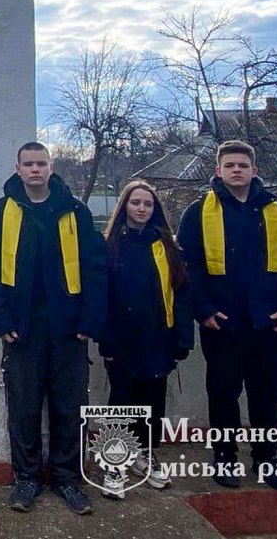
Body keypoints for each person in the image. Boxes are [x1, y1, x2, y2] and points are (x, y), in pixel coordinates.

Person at [0, 141, 107, 516]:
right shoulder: (1, 213)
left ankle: (68, 479)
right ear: (17, 168)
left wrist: (90, 320)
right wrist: (0, 321)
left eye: (41, 163)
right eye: (28, 164)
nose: (35, 169)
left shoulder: (75, 212)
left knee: (70, 408)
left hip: (69, 331)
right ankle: (27, 479)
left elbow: (96, 268)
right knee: (24, 408)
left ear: (51, 168)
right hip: (22, 331)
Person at [177, 140, 277, 491]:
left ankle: (267, 459)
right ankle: (224, 458)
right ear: (218, 170)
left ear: (254, 170)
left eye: (242, 165)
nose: (236, 170)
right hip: (222, 323)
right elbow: (188, 267)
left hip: (268, 323)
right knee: (222, 393)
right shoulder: (198, 212)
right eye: (229, 165)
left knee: (267, 394)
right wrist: (203, 310)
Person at [97, 181, 193, 499]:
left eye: (147, 204)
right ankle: (115, 463)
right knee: (122, 403)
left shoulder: (166, 246)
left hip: (158, 338)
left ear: (155, 210)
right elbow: (102, 297)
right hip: (122, 341)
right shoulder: (109, 245)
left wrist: (181, 339)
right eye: (135, 202)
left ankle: (146, 456)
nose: (141, 208)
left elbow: (181, 294)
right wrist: (105, 339)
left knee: (153, 404)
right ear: (124, 206)